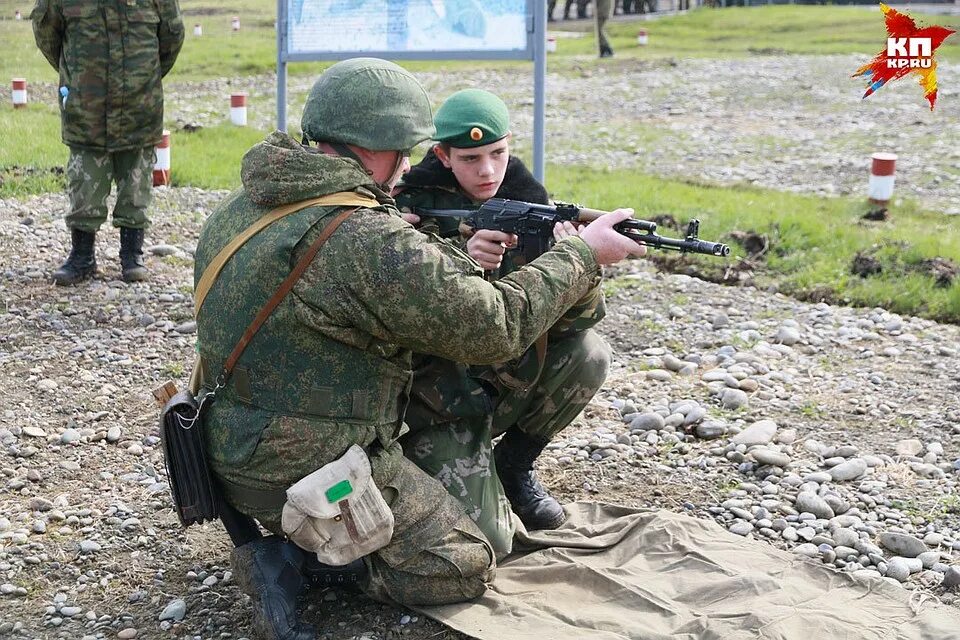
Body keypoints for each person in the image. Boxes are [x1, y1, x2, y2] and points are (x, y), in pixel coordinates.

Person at [192, 58, 645, 640]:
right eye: (401, 150)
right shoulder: (362, 234)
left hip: (223, 436)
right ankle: (294, 560)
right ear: (369, 145)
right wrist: (581, 256)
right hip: (309, 469)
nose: (407, 164)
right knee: (465, 564)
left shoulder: (248, 204)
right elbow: (495, 329)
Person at [393, 89, 613, 556]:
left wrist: (577, 263)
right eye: (471, 158)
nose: (488, 171)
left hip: (499, 380)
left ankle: (513, 466)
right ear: (442, 156)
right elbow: (402, 320)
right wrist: (458, 260)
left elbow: (578, 323)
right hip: (434, 402)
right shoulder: (404, 213)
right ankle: (423, 467)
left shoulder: (531, 206)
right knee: (492, 542)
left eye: (498, 153)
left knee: (589, 353)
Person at [31, 0, 184, 285]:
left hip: (139, 104)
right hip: (87, 107)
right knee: (84, 185)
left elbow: (172, 38)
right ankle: (82, 257)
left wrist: (143, 76)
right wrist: (78, 74)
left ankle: (132, 256)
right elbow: (47, 35)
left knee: (136, 186)